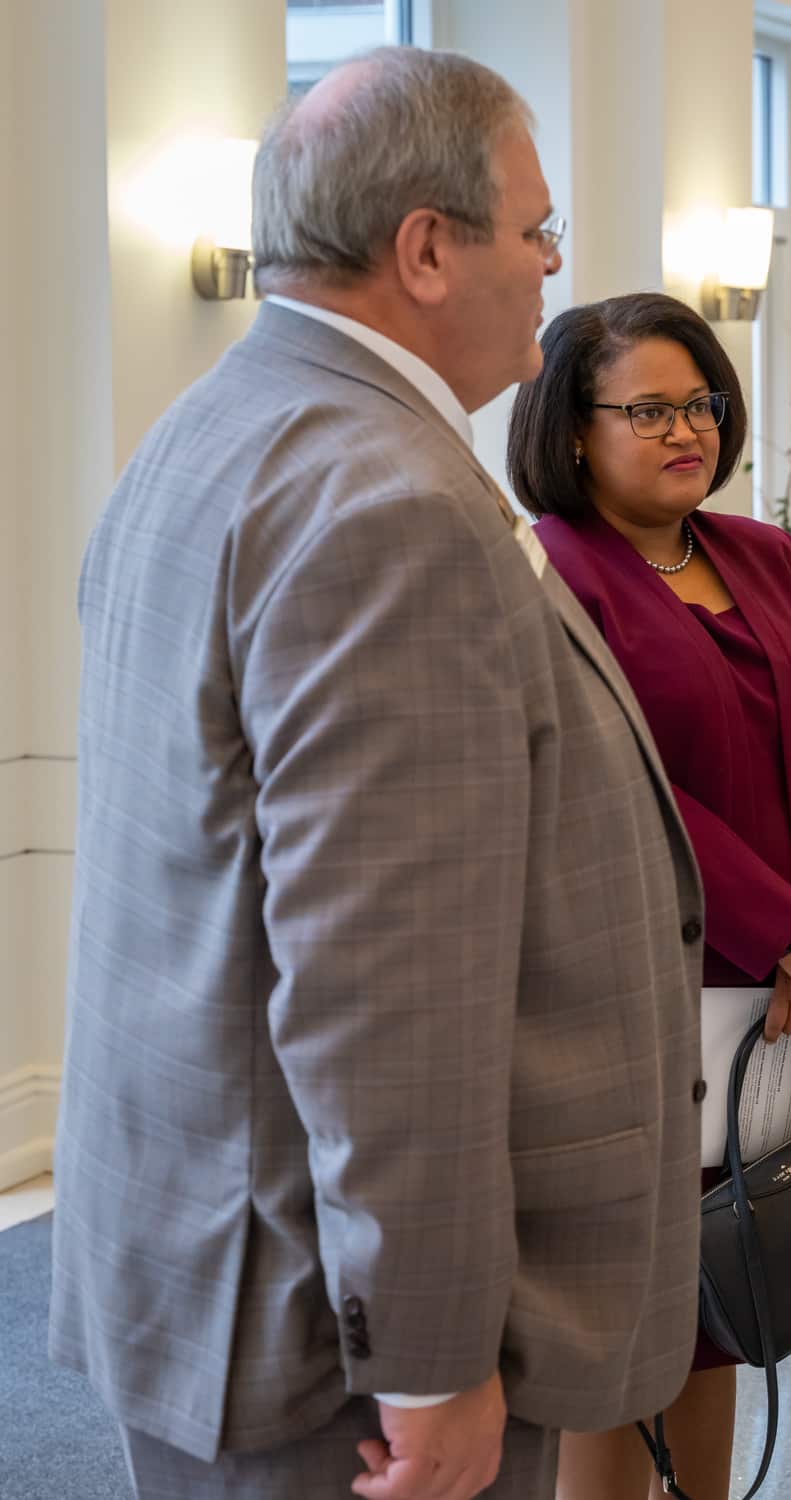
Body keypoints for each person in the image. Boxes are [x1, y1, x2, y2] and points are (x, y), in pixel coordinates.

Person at [51, 48, 711, 1500]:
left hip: (211, 1254)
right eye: (536, 232)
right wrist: (430, 1357)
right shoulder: (391, 501)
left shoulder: (207, 432)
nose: (551, 269)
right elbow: (384, 988)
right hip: (329, 1348)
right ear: (425, 249)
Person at [507, 290, 791, 1500]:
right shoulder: (548, 575)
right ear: (574, 430)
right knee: (626, 1317)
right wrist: (782, 929)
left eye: (703, 404)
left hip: (786, 999)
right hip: (635, 1000)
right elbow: (619, 792)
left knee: (729, 1290)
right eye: (651, 409)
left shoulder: (766, 555)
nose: (689, 429)